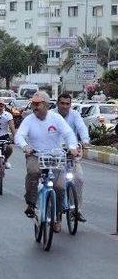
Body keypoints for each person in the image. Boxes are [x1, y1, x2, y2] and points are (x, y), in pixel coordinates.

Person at [15, 91, 79, 232]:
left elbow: (68, 134)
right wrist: (25, 146)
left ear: (46, 105)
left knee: (61, 187)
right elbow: (19, 135)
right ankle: (31, 204)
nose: (35, 107)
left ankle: (57, 217)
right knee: (33, 171)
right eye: (33, 104)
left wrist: (72, 147)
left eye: (38, 104)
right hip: (35, 154)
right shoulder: (29, 120)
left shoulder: (56, 118)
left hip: (55, 157)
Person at [51, 92, 89, 222]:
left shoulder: (75, 115)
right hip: (54, 154)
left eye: (68, 104)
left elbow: (82, 128)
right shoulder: (51, 115)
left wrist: (85, 140)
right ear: (57, 103)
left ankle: (76, 211)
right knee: (55, 184)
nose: (65, 106)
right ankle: (54, 210)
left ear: (70, 105)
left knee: (78, 178)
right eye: (62, 103)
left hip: (70, 153)